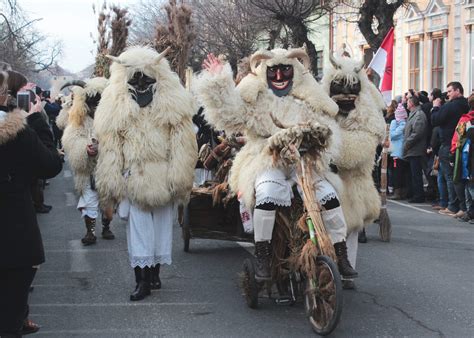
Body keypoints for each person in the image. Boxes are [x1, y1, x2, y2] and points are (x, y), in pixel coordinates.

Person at [197, 48, 357, 281]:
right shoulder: (256, 96)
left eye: (285, 70)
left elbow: (327, 129)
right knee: (267, 194)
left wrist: (316, 140)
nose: (280, 76)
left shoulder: (309, 97)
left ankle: (340, 252)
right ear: (265, 72)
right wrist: (219, 82)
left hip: (304, 161)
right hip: (266, 159)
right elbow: (229, 114)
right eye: (273, 71)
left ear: (295, 71)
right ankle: (263, 255)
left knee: (330, 197)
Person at [94, 46, 197, 301]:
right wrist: (112, 180)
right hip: (134, 177)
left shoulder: (172, 103)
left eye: (146, 79)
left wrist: (179, 177)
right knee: (139, 230)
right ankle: (142, 280)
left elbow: (182, 144)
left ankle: (154, 273)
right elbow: (111, 146)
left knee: (162, 229)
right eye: (135, 79)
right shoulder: (115, 105)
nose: (141, 85)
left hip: (163, 176)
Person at [0, 66, 62, 336]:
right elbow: (50, 165)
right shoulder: (17, 130)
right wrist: (36, 121)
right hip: (12, 235)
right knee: (10, 318)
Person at [322, 55, 386, 288]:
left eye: (352, 92)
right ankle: (320, 267)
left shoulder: (369, 118)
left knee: (348, 229)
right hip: (324, 181)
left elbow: (354, 154)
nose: (347, 97)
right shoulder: (323, 111)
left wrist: (323, 147)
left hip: (353, 186)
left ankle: (344, 273)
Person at [61, 78, 115, 245]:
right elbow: (71, 140)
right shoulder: (79, 122)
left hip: (107, 168)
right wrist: (85, 149)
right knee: (89, 202)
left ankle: (106, 227)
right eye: (92, 103)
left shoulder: (112, 120)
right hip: (88, 171)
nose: (95, 108)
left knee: (108, 202)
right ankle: (90, 232)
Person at [431, 82, 470, 216]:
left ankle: (455, 206)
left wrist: (435, 108)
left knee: (451, 177)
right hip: (458, 143)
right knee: (447, 176)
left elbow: (435, 120)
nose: (447, 94)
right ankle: (450, 204)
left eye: (449, 91)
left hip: (449, 144)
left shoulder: (451, 106)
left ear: (458, 91)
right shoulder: (465, 105)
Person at [450, 93, 474, 221]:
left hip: (466, 156)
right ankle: (469, 213)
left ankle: (469, 211)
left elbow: (457, 138)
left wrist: (452, 152)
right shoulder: (466, 120)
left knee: (467, 184)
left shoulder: (465, 120)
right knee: (468, 184)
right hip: (467, 156)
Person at [403, 95, 428, 203]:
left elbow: (417, 133)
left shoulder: (419, 115)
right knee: (413, 174)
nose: (406, 104)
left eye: (408, 102)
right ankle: (414, 194)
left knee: (416, 174)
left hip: (416, 150)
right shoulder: (413, 114)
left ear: (412, 103)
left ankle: (419, 196)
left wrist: (407, 143)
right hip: (412, 150)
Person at [389, 103, 410, 200]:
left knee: (397, 174)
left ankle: (398, 192)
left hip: (398, 153)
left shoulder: (402, 125)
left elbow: (392, 135)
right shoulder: (402, 124)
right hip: (398, 152)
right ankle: (401, 192)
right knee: (399, 173)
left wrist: (393, 124)